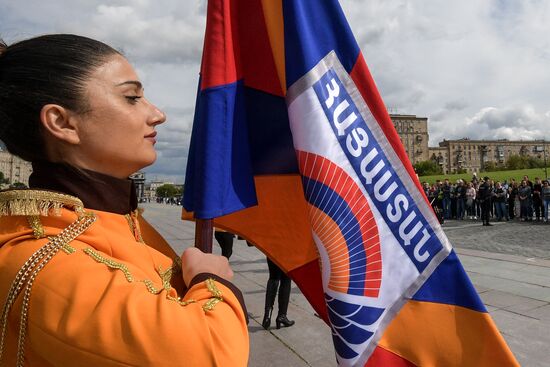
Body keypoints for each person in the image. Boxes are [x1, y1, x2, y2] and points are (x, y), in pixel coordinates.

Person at [0, 34, 249, 366]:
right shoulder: (43, 259)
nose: (157, 114)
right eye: (132, 97)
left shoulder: (118, 219)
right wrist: (210, 278)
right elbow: (211, 352)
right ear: (62, 123)